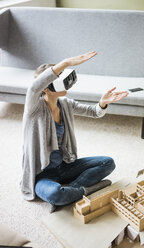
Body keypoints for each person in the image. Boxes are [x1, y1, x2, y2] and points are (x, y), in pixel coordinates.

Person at [20, 51, 128, 212]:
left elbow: (94, 111)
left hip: (65, 166)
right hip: (43, 174)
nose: (64, 83)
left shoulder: (65, 104)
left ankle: (72, 190)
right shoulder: (34, 109)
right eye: (58, 79)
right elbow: (34, 87)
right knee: (56, 194)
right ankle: (86, 191)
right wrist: (65, 63)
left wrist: (103, 102)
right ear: (46, 88)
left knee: (108, 162)